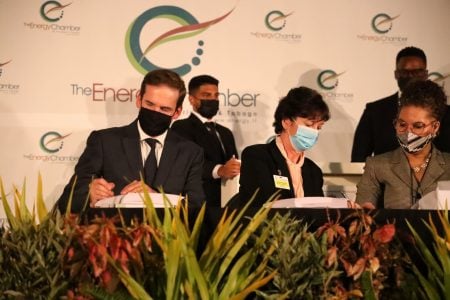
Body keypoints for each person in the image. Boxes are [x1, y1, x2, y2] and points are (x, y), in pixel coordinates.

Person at [57, 69, 205, 213]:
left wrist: (156, 199)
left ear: (177, 112)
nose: (155, 113)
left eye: (164, 109)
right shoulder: (104, 141)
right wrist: (89, 193)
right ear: (139, 99)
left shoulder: (191, 152)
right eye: (150, 104)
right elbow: (66, 202)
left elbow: (196, 206)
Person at [356, 80, 450, 209]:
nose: (408, 132)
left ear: (435, 127)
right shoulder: (377, 165)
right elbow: (362, 210)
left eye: (418, 126)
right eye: (402, 124)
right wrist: (365, 211)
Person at [351, 46, 450, 162]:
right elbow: (358, 158)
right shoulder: (375, 111)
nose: (411, 76)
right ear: (396, 74)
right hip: (384, 179)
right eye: (405, 72)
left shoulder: (446, 113)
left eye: (417, 71)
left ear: (425, 73)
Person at [238, 86, 330, 208]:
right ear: (287, 122)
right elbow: (266, 204)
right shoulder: (257, 156)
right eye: (309, 125)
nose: (314, 132)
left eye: (319, 127)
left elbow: (319, 214)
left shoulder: (313, 171)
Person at [171, 75, 240, 207]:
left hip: (229, 204)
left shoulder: (226, 133)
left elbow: (233, 163)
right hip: (197, 204)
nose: (213, 100)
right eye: (207, 95)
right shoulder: (181, 127)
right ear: (192, 99)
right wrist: (220, 170)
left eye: (216, 96)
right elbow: (187, 163)